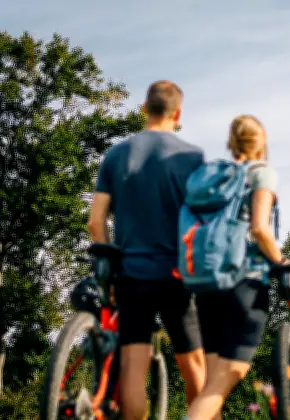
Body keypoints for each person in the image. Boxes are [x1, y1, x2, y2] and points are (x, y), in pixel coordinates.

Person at [87, 80, 207, 420]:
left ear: (144, 108)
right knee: (194, 366)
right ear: (178, 113)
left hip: (131, 275)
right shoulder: (192, 157)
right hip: (176, 276)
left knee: (133, 371)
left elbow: (96, 222)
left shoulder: (117, 154)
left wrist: (109, 262)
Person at [184, 115, 290, 420]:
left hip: (206, 283)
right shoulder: (261, 174)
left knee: (211, 385)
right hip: (245, 281)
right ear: (262, 143)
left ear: (231, 143)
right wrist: (282, 262)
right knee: (228, 375)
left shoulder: (214, 180)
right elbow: (259, 229)